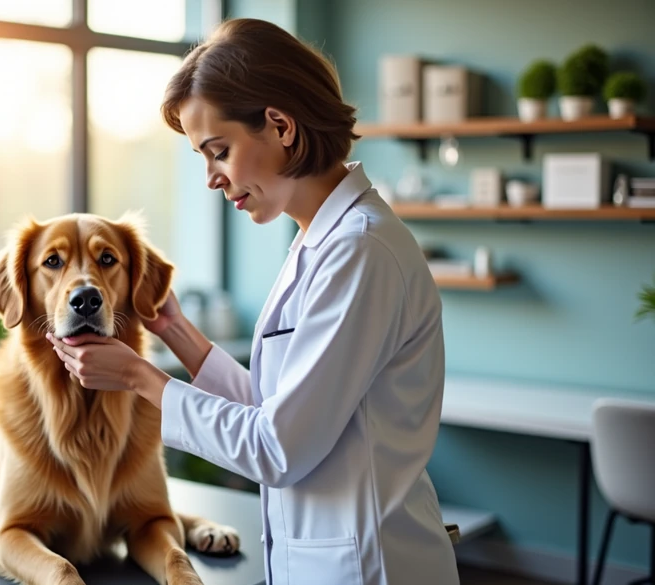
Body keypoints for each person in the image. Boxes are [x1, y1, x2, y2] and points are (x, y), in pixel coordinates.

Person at [45, 17, 460, 585]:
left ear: (281, 125)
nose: (211, 178)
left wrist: (143, 379)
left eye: (218, 151)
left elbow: (278, 448)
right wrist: (176, 332)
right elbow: (279, 410)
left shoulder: (359, 253)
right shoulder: (318, 241)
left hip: (368, 566)